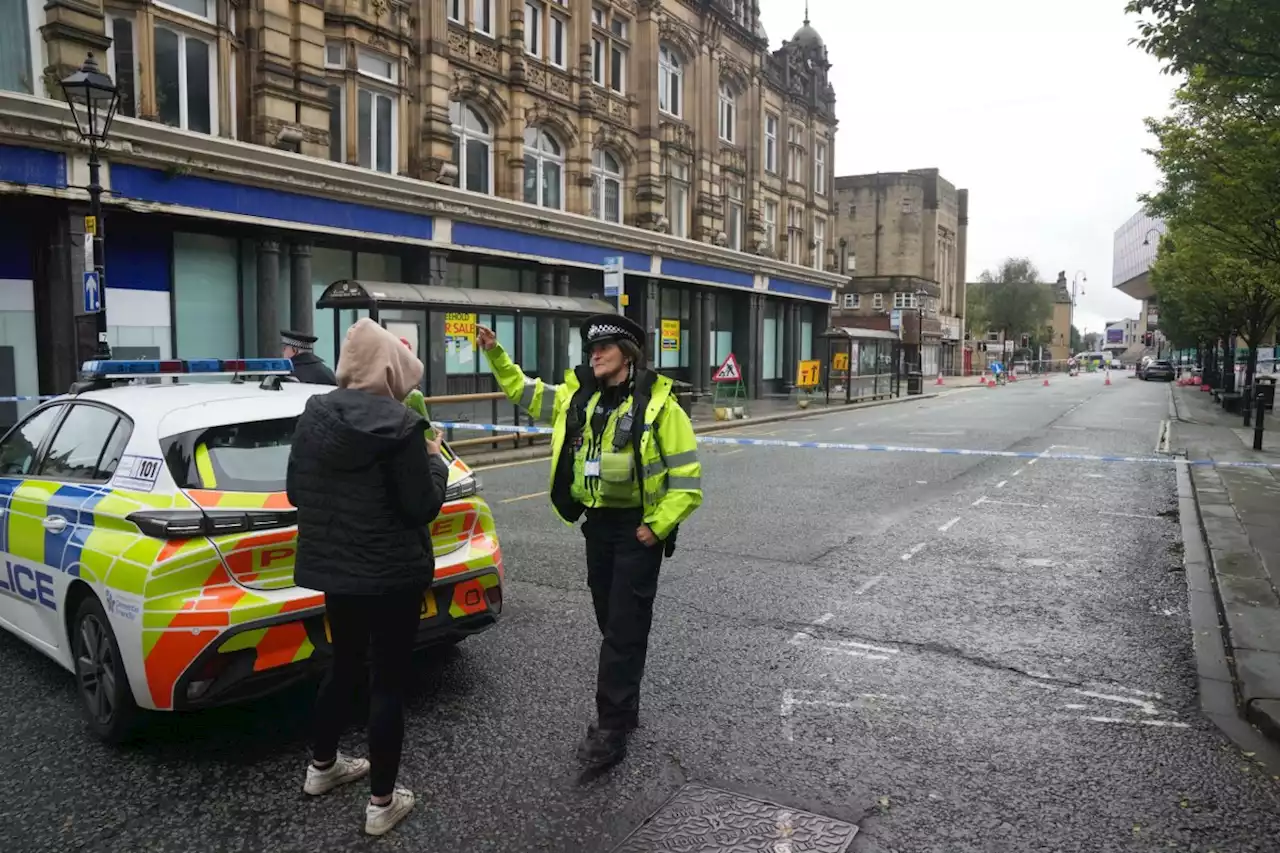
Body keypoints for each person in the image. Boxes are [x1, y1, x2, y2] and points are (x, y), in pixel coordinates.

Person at [477, 314, 702, 773]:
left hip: (638, 530)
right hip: (596, 526)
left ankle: (611, 729)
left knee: (622, 625)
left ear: (628, 353)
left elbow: (687, 482)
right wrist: (496, 354)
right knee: (612, 620)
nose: (594, 355)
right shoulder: (577, 397)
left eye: (604, 349)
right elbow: (526, 393)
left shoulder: (660, 406)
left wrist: (654, 528)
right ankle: (626, 706)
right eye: (590, 349)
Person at [286, 317, 448, 836]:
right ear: (387, 370)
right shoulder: (401, 428)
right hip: (392, 574)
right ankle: (382, 803)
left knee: (344, 663)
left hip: (338, 572)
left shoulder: (314, 417)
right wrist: (435, 459)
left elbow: (295, 493)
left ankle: (322, 767)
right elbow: (421, 506)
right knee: (388, 683)